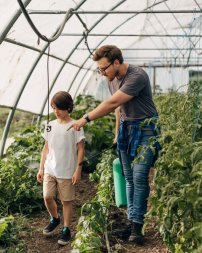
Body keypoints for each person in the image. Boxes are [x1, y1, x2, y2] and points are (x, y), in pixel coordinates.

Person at [68, 45, 160, 244]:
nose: (102, 73)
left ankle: (137, 226)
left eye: (104, 69)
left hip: (146, 128)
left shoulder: (137, 76)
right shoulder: (112, 78)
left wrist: (85, 118)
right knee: (128, 177)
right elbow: (118, 108)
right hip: (126, 129)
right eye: (99, 70)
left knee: (139, 175)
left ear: (116, 62)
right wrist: (118, 132)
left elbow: (111, 103)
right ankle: (131, 221)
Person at [37, 91, 85, 246]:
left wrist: (78, 169)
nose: (55, 111)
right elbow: (45, 148)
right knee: (47, 196)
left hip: (66, 171)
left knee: (66, 201)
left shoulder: (76, 126)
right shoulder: (50, 126)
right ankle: (55, 218)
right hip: (50, 168)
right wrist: (41, 168)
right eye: (53, 107)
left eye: (58, 108)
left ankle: (66, 229)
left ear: (68, 108)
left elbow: (81, 149)